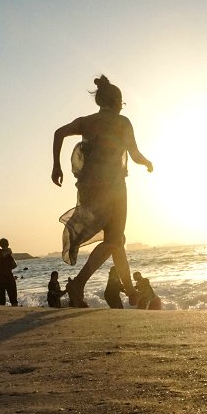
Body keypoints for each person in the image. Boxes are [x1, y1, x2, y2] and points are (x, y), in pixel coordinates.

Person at [52, 75, 153, 308]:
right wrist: (148, 163)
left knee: (116, 240)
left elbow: (58, 133)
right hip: (114, 188)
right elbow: (135, 155)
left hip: (89, 188)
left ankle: (129, 291)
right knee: (114, 239)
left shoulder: (85, 121)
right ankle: (78, 284)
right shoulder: (122, 122)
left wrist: (56, 166)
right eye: (122, 103)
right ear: (117, 102)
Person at [0, 237, 19, 305]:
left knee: (1, 299)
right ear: (8, 244)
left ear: (0, 245)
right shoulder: (8, 255)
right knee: (13, 298)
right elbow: (14, 265)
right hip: (8, 276)